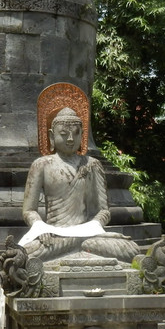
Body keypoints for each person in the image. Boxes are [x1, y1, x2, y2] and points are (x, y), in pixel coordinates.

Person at [20, 108, 138, 263]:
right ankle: (78, 245)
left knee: (131, 249)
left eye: (76, 134)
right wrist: (40, 227)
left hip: (87, 234)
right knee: (23, 255)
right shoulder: (42, 165)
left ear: (83, 135)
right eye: (63, 134)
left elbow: (103, 211)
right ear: (51, 136)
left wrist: (93, 225)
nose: (70, 139)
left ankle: (78, 244)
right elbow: (29, 210)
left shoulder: (93, 165)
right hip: (55, 236)